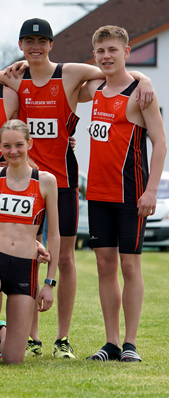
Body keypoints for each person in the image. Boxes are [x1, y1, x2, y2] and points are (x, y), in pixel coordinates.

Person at [0, 20, 153, 358]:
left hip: (62, 180)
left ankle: (63, 339)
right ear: (21, 44)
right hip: (16, 182)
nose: (35, 46)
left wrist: (144, 78)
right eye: (29, 41)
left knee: (64, 258)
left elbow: (110, 73)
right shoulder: (14, 78)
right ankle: (27, 336)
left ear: (51, 44)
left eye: (42, 40)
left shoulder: (69, 74)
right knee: (7, 255)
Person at [79, 26, 166, 362]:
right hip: (98, 194)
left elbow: (160, 143)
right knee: (104, 265)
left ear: (126, 51)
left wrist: (150, 191)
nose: (106, 57)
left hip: (131, 194)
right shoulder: (94, 88)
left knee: (130, 266)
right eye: (100, 51)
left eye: (112, 50)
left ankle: (130, 343)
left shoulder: (141, 93)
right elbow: (70, 75)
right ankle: (111, 342)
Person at [0, 119, 59, 365]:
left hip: (26, 267)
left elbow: (54, 234)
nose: (13, 151)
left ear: (29, 143)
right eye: (7, 146)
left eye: (19, 144)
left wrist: (49, 282)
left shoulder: (46, 180)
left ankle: (1, 331)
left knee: (13, 360)